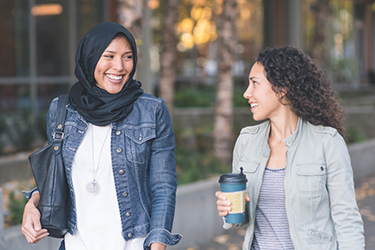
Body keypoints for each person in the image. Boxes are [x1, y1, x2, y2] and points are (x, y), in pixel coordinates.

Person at [21, 22, 181, 250]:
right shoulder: (61, 110)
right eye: (109, 56)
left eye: (127, 57)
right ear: (90, 57)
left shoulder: (152, 110)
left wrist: (157, 245)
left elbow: (163, 186)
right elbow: (54, 177)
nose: (119, 66)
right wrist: (31, 204)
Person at [215, 46, 365, 249]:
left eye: (255, 84)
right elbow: (241, 219)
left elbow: (347, 221)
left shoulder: (327, 143)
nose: (246, 93)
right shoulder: (246, 141)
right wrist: (229, 208)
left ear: (282, 88)